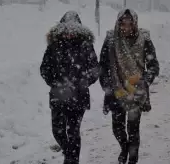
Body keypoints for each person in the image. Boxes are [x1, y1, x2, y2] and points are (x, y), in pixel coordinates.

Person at [99, 9, 160, 164]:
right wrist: (107, 86)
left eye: (130, 23)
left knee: (133, 130)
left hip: (136, 91)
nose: (126, 27)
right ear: (118, 23)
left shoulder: (143, 39)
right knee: (117, 128)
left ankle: (132, 159)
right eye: (123, 23)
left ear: (135, 24)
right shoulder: (111, 40)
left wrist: (144, 81)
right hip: (117, 90)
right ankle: (124, 147)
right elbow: (103, 66)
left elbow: (153, 65)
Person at [40, 11, 99, 164]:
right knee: (58, 131)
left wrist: (81, 83)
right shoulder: (54, 45)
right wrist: (55, 83)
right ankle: (69, 154)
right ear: (62, 28)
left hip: (78, 97)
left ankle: (71, 160)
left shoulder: (86, 45)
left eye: (74, 29)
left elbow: (94, 70)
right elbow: (45, 68)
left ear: (79, 29)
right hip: (58, 95)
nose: (70, 32)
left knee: (73, 132)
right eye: (67, 28)